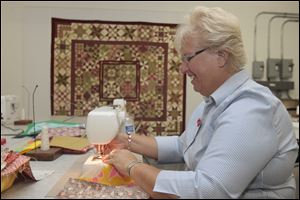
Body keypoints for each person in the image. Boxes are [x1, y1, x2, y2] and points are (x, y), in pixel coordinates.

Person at [103, 6, 299, 199]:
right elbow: (183, 146)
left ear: (221, 56)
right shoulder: (214, 102)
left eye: (188, 58)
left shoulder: (251, 109)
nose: (183, 69)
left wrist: (132, 166)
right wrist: (126, 141)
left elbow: (209, 191)